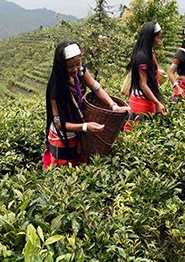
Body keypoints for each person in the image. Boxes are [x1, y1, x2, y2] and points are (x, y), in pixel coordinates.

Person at [43, 40, 129, 168]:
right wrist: (85, 127)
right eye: (70, 67)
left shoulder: (81, 72)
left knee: (80, 168)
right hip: (63, 137)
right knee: (64, 171)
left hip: (79, 129)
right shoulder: (57, 88)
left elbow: (97, 88)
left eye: (78, 64)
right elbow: (59, 124)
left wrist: (114, 106)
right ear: (62, 66)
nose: (75, 69)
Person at [125, 22, 166, 130]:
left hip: (143, 99)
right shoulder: (142, 57)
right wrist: (157, 103)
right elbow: (143, 84)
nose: (159, 41)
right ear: (150, 38)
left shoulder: (146, 52)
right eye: (158, 37)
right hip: (141, 103)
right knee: (138, 132)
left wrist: (156, 71)